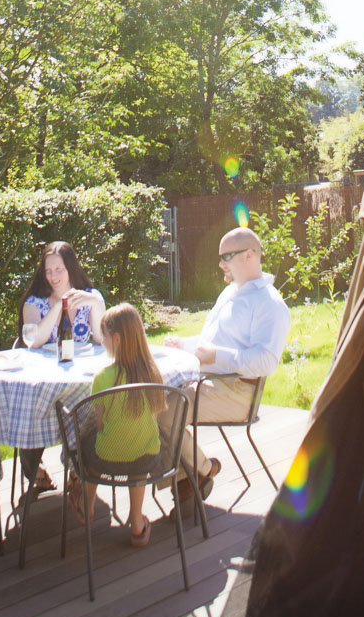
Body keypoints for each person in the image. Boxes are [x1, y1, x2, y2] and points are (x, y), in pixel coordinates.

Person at [163, 226, 290, 499]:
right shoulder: (231, 293)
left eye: (226, 256)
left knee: (162, 411)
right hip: (209, 383)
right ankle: (191, 475)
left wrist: (216, 356)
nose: (221, 263)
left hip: (237, 392)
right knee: (151, 400)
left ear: (250, 255)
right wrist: (182, 345)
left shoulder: (269, 303)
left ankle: (199, 471)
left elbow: (266, 362)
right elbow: (212, 343)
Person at [18, 239, 106, 492]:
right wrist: (58, 306)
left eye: (59, 269)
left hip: (80, 377)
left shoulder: (90, 297)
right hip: (44, 379)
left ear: (71, 268)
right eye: (48, 271)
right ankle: (35, 471)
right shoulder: (34, 302)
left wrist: (96, 304)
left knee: (88, 407)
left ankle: (78, 469)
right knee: (29, 408)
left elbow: (101, 339)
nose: (53, 276)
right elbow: (33, 340)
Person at [73, 302, 164, 548]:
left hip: (107, 459)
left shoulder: (102, 378)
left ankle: (87, 507)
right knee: (139, 452)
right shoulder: (153, 373)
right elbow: (155, 416)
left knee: (87, 446)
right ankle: (136, 523)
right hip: (147, 458)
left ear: (116, 339)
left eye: (104, 337)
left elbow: (101, 424)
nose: (102, 342)